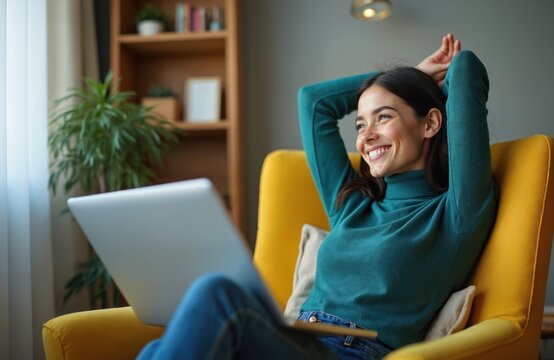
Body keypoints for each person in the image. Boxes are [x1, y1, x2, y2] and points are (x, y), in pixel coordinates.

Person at [137, 34, 497, 360]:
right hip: (293, 338)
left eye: (383, 117)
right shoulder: (353, 207)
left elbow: (466, 69)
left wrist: (417, 81)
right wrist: (410, 75)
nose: (366, 136)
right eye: (360, 124)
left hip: (351, 354)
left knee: (217, 296)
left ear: (431, 123)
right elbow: (312, 102)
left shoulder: (455, 214)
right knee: (160, 348)